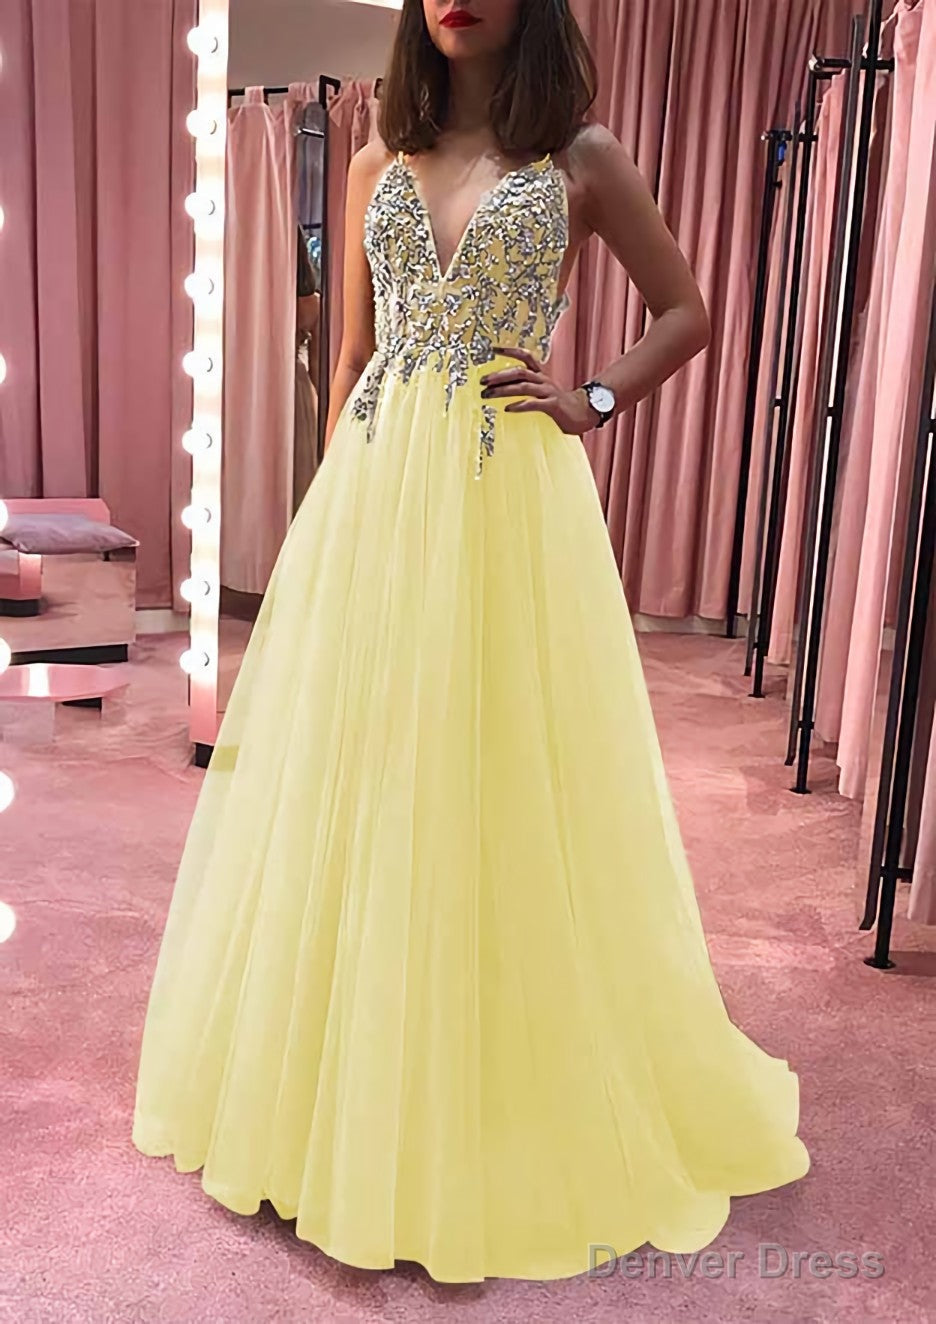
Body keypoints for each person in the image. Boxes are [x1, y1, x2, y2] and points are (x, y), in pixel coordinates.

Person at [134, 0, 809, 1284]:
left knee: (496, 759)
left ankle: (497, 1069)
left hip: (507, 490)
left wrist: (592, 395)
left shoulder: (582, 158)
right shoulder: (376, 158)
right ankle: (341, 1073)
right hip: (377, 491)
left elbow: (686, 310)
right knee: (361, 766)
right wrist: (328, 517)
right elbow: (349, 358)